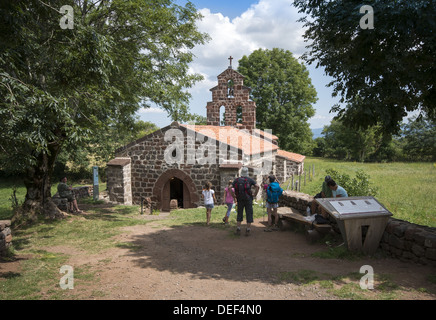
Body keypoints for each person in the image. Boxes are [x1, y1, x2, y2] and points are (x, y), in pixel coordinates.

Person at [231, 167, 259, 236]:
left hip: (240, 199)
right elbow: (257, 186)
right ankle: (248, 230)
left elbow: (229, 187)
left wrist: (233, 195)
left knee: (239, 213)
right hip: (248, 199)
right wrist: (255, 194)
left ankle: (238, 229)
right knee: (249, 213)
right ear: (247, 173)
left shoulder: (236, 180)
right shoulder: (249, 180)